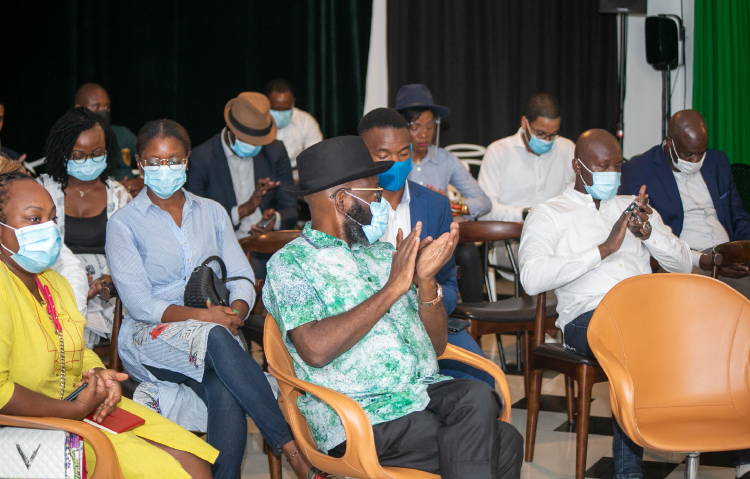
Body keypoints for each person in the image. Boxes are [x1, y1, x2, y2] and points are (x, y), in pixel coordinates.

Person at [263, 136, 523, 479]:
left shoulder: (384, 254)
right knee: (503, 442)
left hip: (420, 393)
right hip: (363, 413)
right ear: (343, 200)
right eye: (374, 193)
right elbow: (314, 350)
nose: (380, 200)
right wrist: (392, 288)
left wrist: (426, 282)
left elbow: (436, 346)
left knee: (479, 397)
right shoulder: (291, 263)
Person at [517, 130, 750, 479]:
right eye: (602, 166)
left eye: (617, 166)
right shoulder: (549, 213)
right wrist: (604, 249)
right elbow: (532, 278)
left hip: (647, 314)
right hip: (588, 317)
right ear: (578, 167)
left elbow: (681, 263)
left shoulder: (634, 207)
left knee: (724, 340)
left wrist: (649, 235)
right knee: (634, 344)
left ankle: (743, 455)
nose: (612, 173)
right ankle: (628, 473)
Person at [106, 119, 328, 479]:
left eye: (173, 159)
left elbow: (239, 274)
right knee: (215, 335)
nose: (165, 168)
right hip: (152, 335)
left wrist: (237, 311)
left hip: (217, 330)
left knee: (224, 389)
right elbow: (139, 303)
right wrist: (206, 318)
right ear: (141, 164)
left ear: (187, 160)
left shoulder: (212, 212)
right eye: (155, 161)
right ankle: (292, 449)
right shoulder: (123, 223)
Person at [0, 171, 217, 478]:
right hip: (32, 425)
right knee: (170, 471)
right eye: (34, 219)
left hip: (78, 405)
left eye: (52, 219)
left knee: (193, 458)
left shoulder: (53, 283)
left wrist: (98, 375)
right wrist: (73, 410)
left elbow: (75, 347)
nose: (48, 228)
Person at [358, 108, 494, 387]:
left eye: (403, 154)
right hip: (369, 326)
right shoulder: (351, 205)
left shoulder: (435, 204)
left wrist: (425, 286)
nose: (396, 163)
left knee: (481, 379)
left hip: (428, 322)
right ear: (363, 156)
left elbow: (450, 286)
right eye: (383, 156)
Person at [622, 109, 750, 298]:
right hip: (685, 262)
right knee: (699, 296)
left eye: (701, 153)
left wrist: (744, 253)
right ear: (669, 142)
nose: (696, 160)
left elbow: (738, 216)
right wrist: (702, 259)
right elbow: (643, 235)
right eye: (688, 154)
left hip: (728, 255)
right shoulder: (638, 171)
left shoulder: (718, 162)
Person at [37, 107, 131, 348]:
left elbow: (130, 252)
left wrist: (107, 279)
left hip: (105, 293)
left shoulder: (119, 195)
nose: (88, 161)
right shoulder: (40, 191)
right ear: (62, 152)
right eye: (78, 155)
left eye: (96, 153)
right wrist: (70, 282)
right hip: (52, 286)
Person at [185, 92, 298, 279]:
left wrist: (274, 219)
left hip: (270, 243)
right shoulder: (201, 159)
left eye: (258, 142)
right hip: (226, 245)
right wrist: (243, 210)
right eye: (247, 140)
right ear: (230, 130)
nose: (254, 146)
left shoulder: (275, 151)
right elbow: (199, 222)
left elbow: (291, 208)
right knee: (254, 271)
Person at [395, 83, 491, 302]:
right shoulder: (394, 161)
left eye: (429, 126)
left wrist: (452, 206)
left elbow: (484, 202)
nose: (424, 133)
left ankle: (472, 314)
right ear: (401, 127)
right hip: (402, 236)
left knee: (467, 252)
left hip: (437, 238)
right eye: (415, 126)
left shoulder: (445, 160)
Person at [478, 94, 576, 284]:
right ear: (525, 123)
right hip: (511, 240)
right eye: (540, 134)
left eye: (553, 135)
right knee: (537, 258)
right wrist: (526, 214)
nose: (547, 140)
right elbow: (485, 210)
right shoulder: (498, 152)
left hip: (560, 238)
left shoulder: (567, 148)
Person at [74, 83, 141, 195]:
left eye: (106, 107)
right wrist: (113, 189)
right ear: (79, 109)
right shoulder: (73, 141)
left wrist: (142, 182)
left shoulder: (122, 134)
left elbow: (151, 158)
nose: (103, 111)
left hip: (131, 198)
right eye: (96, 107)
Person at [265, 78, 323, 178]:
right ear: (266, 103)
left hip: (296, 176)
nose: (281, 114)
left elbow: (315, 159)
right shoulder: (256, 122)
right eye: (275, 109)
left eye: (286, 109)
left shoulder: (306, 122)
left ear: (293, 103)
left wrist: (302, 179)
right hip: (265, 175)